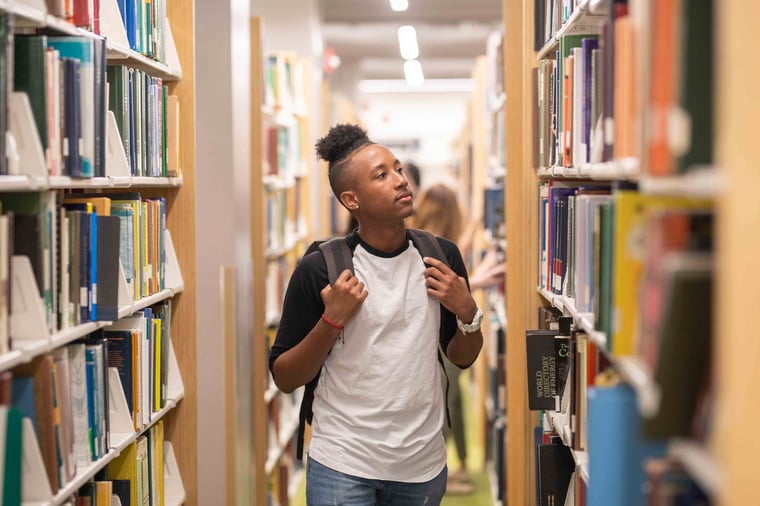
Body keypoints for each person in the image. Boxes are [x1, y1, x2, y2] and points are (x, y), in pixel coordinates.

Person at [268, 123, 484, 505]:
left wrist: (467, 310)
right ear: (352, 200)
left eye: (398, 169)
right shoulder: (322, 269)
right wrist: (332, 320)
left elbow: (461, 357)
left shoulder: (441, 256)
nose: (401, 181)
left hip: (421, 465)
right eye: (382, 176)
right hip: (343, 463)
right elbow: (285, 376)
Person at [410, 183, 506, 495]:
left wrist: (478, 222)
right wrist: (475, 282)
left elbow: (452, 258)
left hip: (440, 337)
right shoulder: (422, 243)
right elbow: (436, 286)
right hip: (434, 340)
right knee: (443, 403)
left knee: (452, 401)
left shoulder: (419, 236)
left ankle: (455, 466)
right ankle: (440, 473)